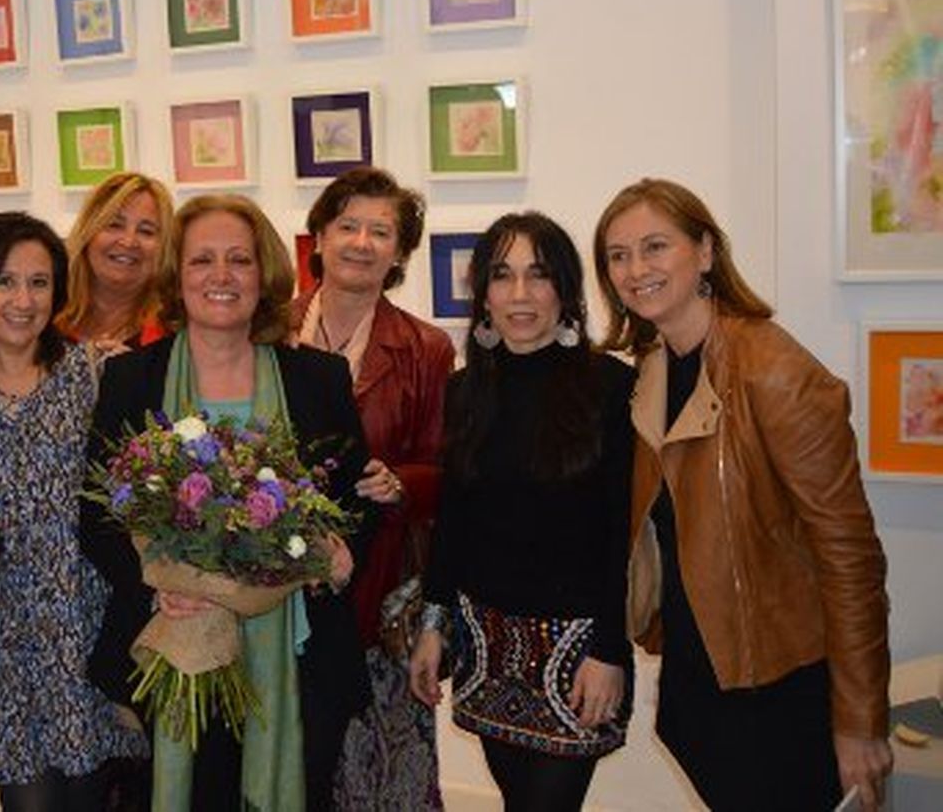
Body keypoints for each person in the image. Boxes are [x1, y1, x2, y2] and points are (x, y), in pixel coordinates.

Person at [594, 178, 892, 811]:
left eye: (654, 247)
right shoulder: (650, 371)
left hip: (780, 689)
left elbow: (850, 557)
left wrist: (860, 719)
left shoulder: (774, 371)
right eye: (618, 255)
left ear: (704, 251)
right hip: (701, 679)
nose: (635, 269)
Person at [81, 193, 375, 812]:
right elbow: (97, 515)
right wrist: (156, 587)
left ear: (263, 273)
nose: (221, 276)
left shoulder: (318, 378)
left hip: (299, 654)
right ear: (175, 276)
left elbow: (353, 500)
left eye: (239, 260)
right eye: (202, 261)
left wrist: (341, 553)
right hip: (176, 645)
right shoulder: (131, 378)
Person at [409, 212, 634, 812]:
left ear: (565, 288)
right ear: (482, 294)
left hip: (578, 649)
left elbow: (623, 532)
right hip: (486, 642)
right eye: (502, 276)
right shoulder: (465, 390)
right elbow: (453, 520)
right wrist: (433, 626)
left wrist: (610, 649)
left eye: (538, 275)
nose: (519, 295)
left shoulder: (610, 387)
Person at [0, 211, 149, 811]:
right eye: (5, 281)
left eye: (39, 283)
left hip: (84, 628)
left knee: (92, 795)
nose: (23, 300)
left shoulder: (95, 374)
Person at [292, 167, 453, 810]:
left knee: (376, 774)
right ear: (319, 238)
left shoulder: (425, 347)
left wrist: (402, 482)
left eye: (380, 231)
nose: (361, 242)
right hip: (269, 586)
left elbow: (446, 471)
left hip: (376, 585)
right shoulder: (268, 330)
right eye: (348, 225)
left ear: (399, 253)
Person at [54, 172, 174, 349]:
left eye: (146, 231)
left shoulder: (177, 333)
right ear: (88, 233)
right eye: (114, 225)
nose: (129, 241)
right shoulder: (42, 318)